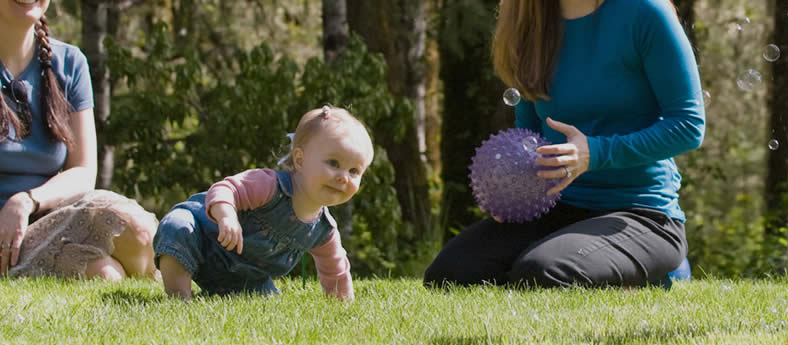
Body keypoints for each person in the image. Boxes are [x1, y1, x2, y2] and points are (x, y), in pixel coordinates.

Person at [423, 0, 706, 288]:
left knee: (542, 272)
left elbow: (688, 125)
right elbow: (531, 135)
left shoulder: (645, 11)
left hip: (641, 213)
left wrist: (594, 153)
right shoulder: (527, 20)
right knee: (450, 274)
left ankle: (658, 269)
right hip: (558, 208)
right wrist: (513, 193)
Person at [0, 0, 157, 279]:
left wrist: (25, 202)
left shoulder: (71, 63)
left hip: (45, 220)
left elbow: (83, 172)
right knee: (106, 274)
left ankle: (167, 301)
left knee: (139, 230)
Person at [153, 107, 369, 300]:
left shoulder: (323, 230)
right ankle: (180, 298)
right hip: (202, 236)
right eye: (334, 163)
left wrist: (342, 308)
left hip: (241, 277)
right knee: (177, 227)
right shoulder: (269, 186)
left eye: (354, 171)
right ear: (300, 160)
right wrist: (227, 216)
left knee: (265, 299)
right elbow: (225, 189)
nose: (344, 177)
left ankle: (222, 290)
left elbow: (336, 273)